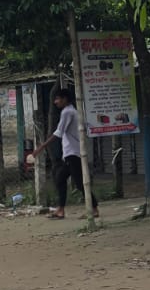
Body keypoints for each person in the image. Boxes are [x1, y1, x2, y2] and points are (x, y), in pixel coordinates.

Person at [28, 85, 99, 220]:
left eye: (58, 99)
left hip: (73, 153)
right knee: (61, 178)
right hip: (71, 152)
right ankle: (61, 209)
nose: (55, 102)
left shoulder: (67, 112)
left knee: (79, 182)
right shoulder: (71, 111)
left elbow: (59, 132)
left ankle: (93, 209)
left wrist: (40, 148)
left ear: (65, 99)